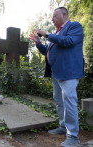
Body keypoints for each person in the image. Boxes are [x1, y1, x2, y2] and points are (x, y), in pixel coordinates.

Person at [29, 7, 85, 147]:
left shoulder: (74, 26)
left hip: (68, 72)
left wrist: (47, 34)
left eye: (54, 16)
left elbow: (69, 41)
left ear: (64, 14)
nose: (52, 19)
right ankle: (62, 126)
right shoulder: (56, 33)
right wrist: (38, 43)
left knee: (69, 101)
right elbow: (48, 52)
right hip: (56, 72)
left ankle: (72, 136)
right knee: (59, 100)